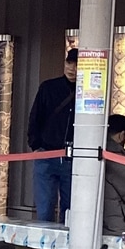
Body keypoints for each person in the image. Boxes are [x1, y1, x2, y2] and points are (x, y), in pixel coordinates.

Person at [27, 48, 77, 223]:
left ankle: (66, 248)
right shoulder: (49, 87)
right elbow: (35, 117)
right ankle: (45, 245)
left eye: (76, 64)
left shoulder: (88, 93)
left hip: (74, 157)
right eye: (69, 63)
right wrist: (35, 145)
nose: (72, 68)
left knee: (71, 209)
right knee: (44, 208)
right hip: (46, 153)